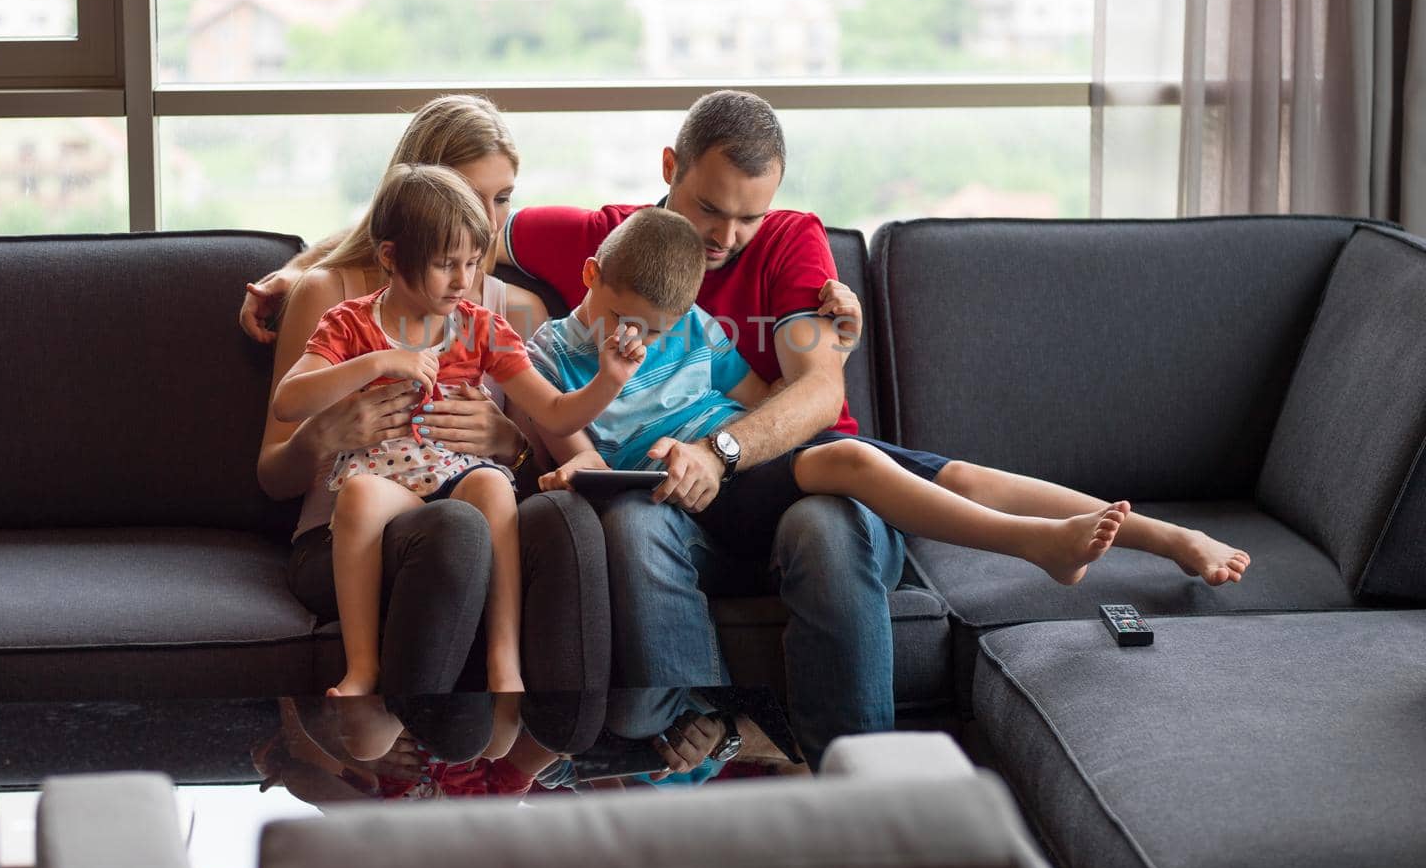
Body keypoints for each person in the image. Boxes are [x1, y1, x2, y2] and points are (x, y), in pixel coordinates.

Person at [500, 90, 1251, 768]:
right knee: (650, 522)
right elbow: (453, 231)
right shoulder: (602, 242)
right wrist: (462, 356)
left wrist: (739, 432)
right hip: (695, 495)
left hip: (795, 470)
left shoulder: (787, 244)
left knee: (876, 498)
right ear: (670, 167)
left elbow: (811, 396)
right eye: (708, 209)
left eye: (748, 216)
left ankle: (859, 769)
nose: (727, 237)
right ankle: (709, 731)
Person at [527, 207, 1169, 588]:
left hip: (749, 453)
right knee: (853, 461)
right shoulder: (549, 356)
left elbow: (766, 403)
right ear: (591, 275)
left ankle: (1171, 540)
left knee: (959, 472)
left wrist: (838, 347)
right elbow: (586, 463)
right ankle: (1036, 543)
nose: (638, 338)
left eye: (660, 328)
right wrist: (639, 451)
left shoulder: (697, 326)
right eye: (623, 319)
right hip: (698, 487)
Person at [245, 94, 606, 694]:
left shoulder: (514, 309)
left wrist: (511, 444)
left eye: (502, 197)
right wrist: (322, 437)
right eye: (468, 196)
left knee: (545, 522)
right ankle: (404, 729)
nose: (489, 221)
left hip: (462, 500)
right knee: (457, 532)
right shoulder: (328, 297)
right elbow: (273, 477)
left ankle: (544, 743)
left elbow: (568, 453)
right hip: (344, 531)